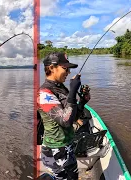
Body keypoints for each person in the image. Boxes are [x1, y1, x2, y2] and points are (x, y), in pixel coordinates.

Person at [37, 52, 91, 180]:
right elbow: (65, 121)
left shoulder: (60, 88)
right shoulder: (44, 93)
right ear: (51, 68)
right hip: (56, 150)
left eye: (69, 70)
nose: (68, 73)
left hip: (66, 146)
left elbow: (71, 116)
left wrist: (82, 101)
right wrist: (72, 92)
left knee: (73, 175)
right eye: (65, 69)